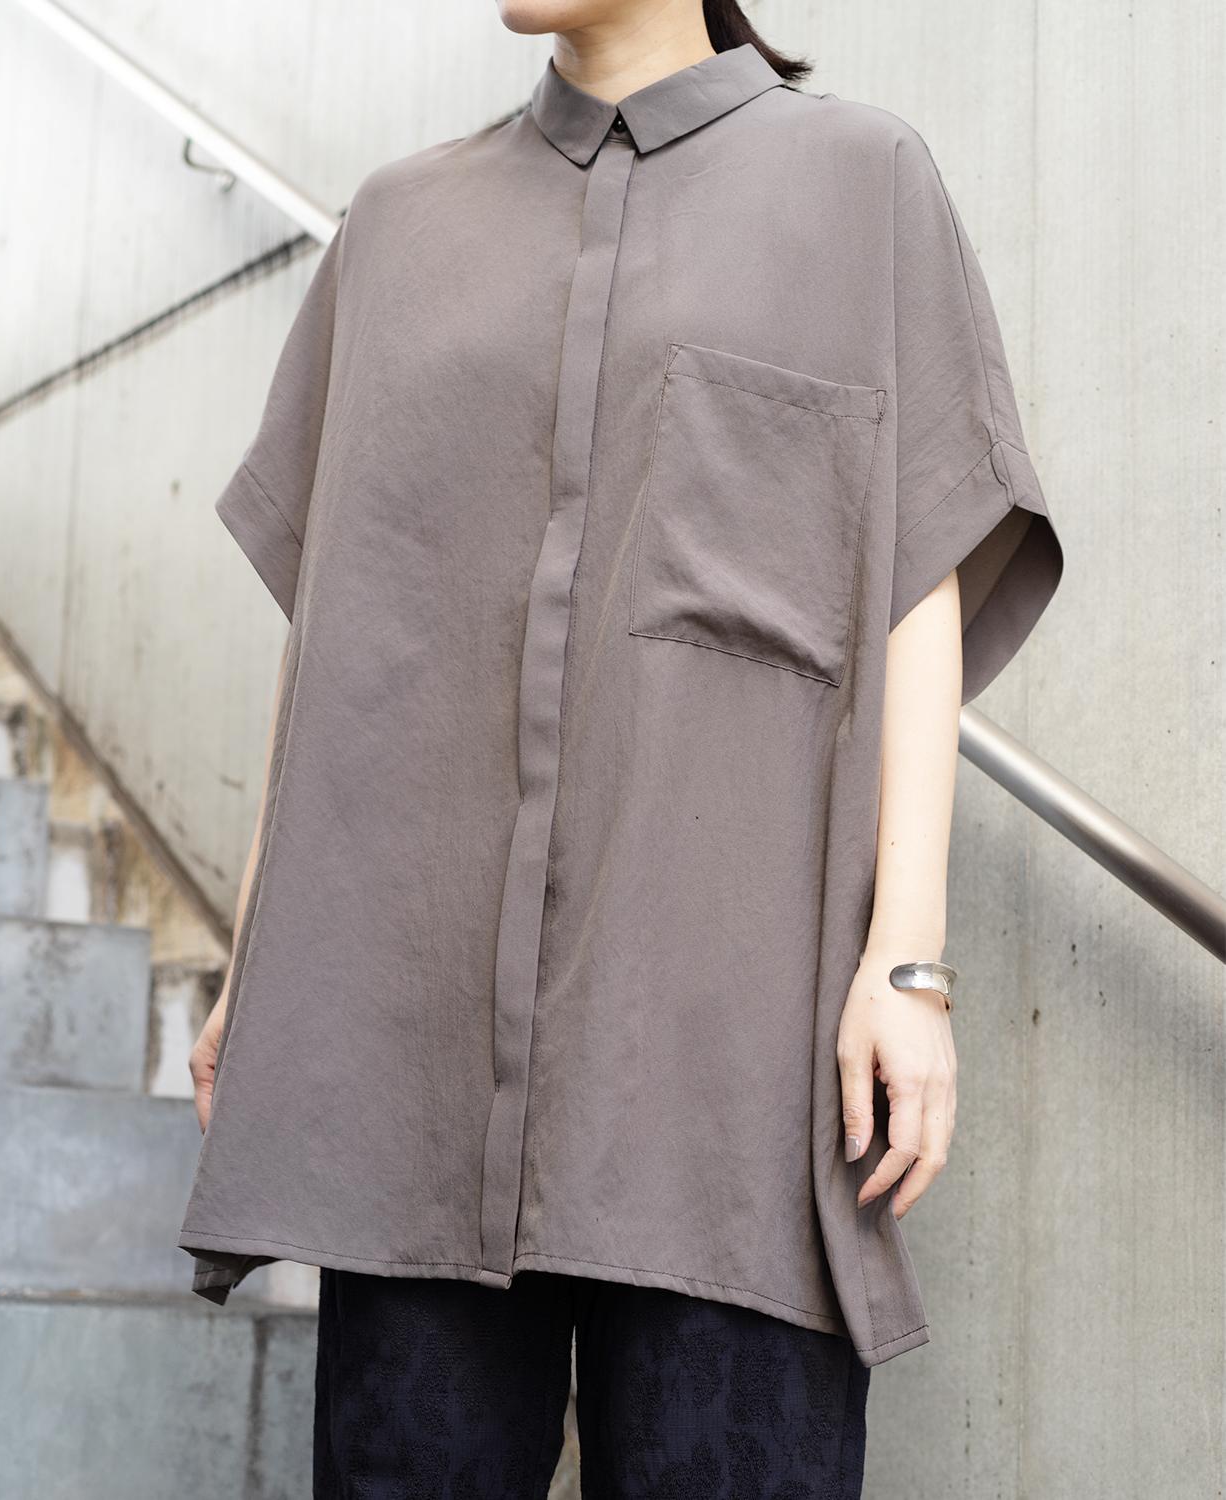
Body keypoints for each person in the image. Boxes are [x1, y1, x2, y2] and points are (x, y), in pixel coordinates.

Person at [181, 1, 1065, 1495]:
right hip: (412, 1059)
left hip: (727, 1060)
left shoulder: (862, 184)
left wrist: (907, 963)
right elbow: (336, 622)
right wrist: (256, 952)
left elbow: (916, 579)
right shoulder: (399, 226)